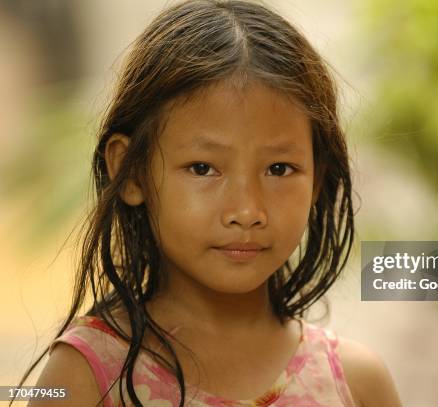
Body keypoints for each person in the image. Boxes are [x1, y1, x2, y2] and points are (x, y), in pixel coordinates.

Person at [17, 1, 402, 406]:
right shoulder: (86, 377)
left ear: (317, 178)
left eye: (279, 169)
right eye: (203, 168)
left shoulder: (357, 384)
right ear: (131, 172)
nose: (247, 211)